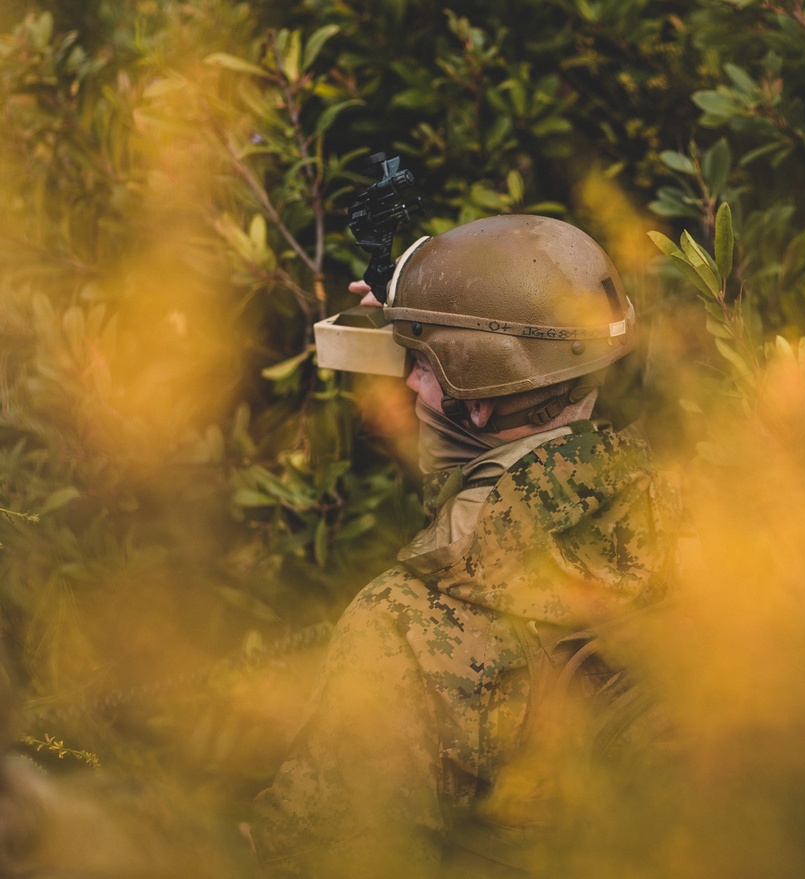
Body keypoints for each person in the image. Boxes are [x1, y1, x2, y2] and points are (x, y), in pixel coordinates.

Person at [249, 214, 679, 878]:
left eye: (421, 366)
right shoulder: (703, 520)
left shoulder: (406, 624)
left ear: (479, 394)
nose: (410, 386)